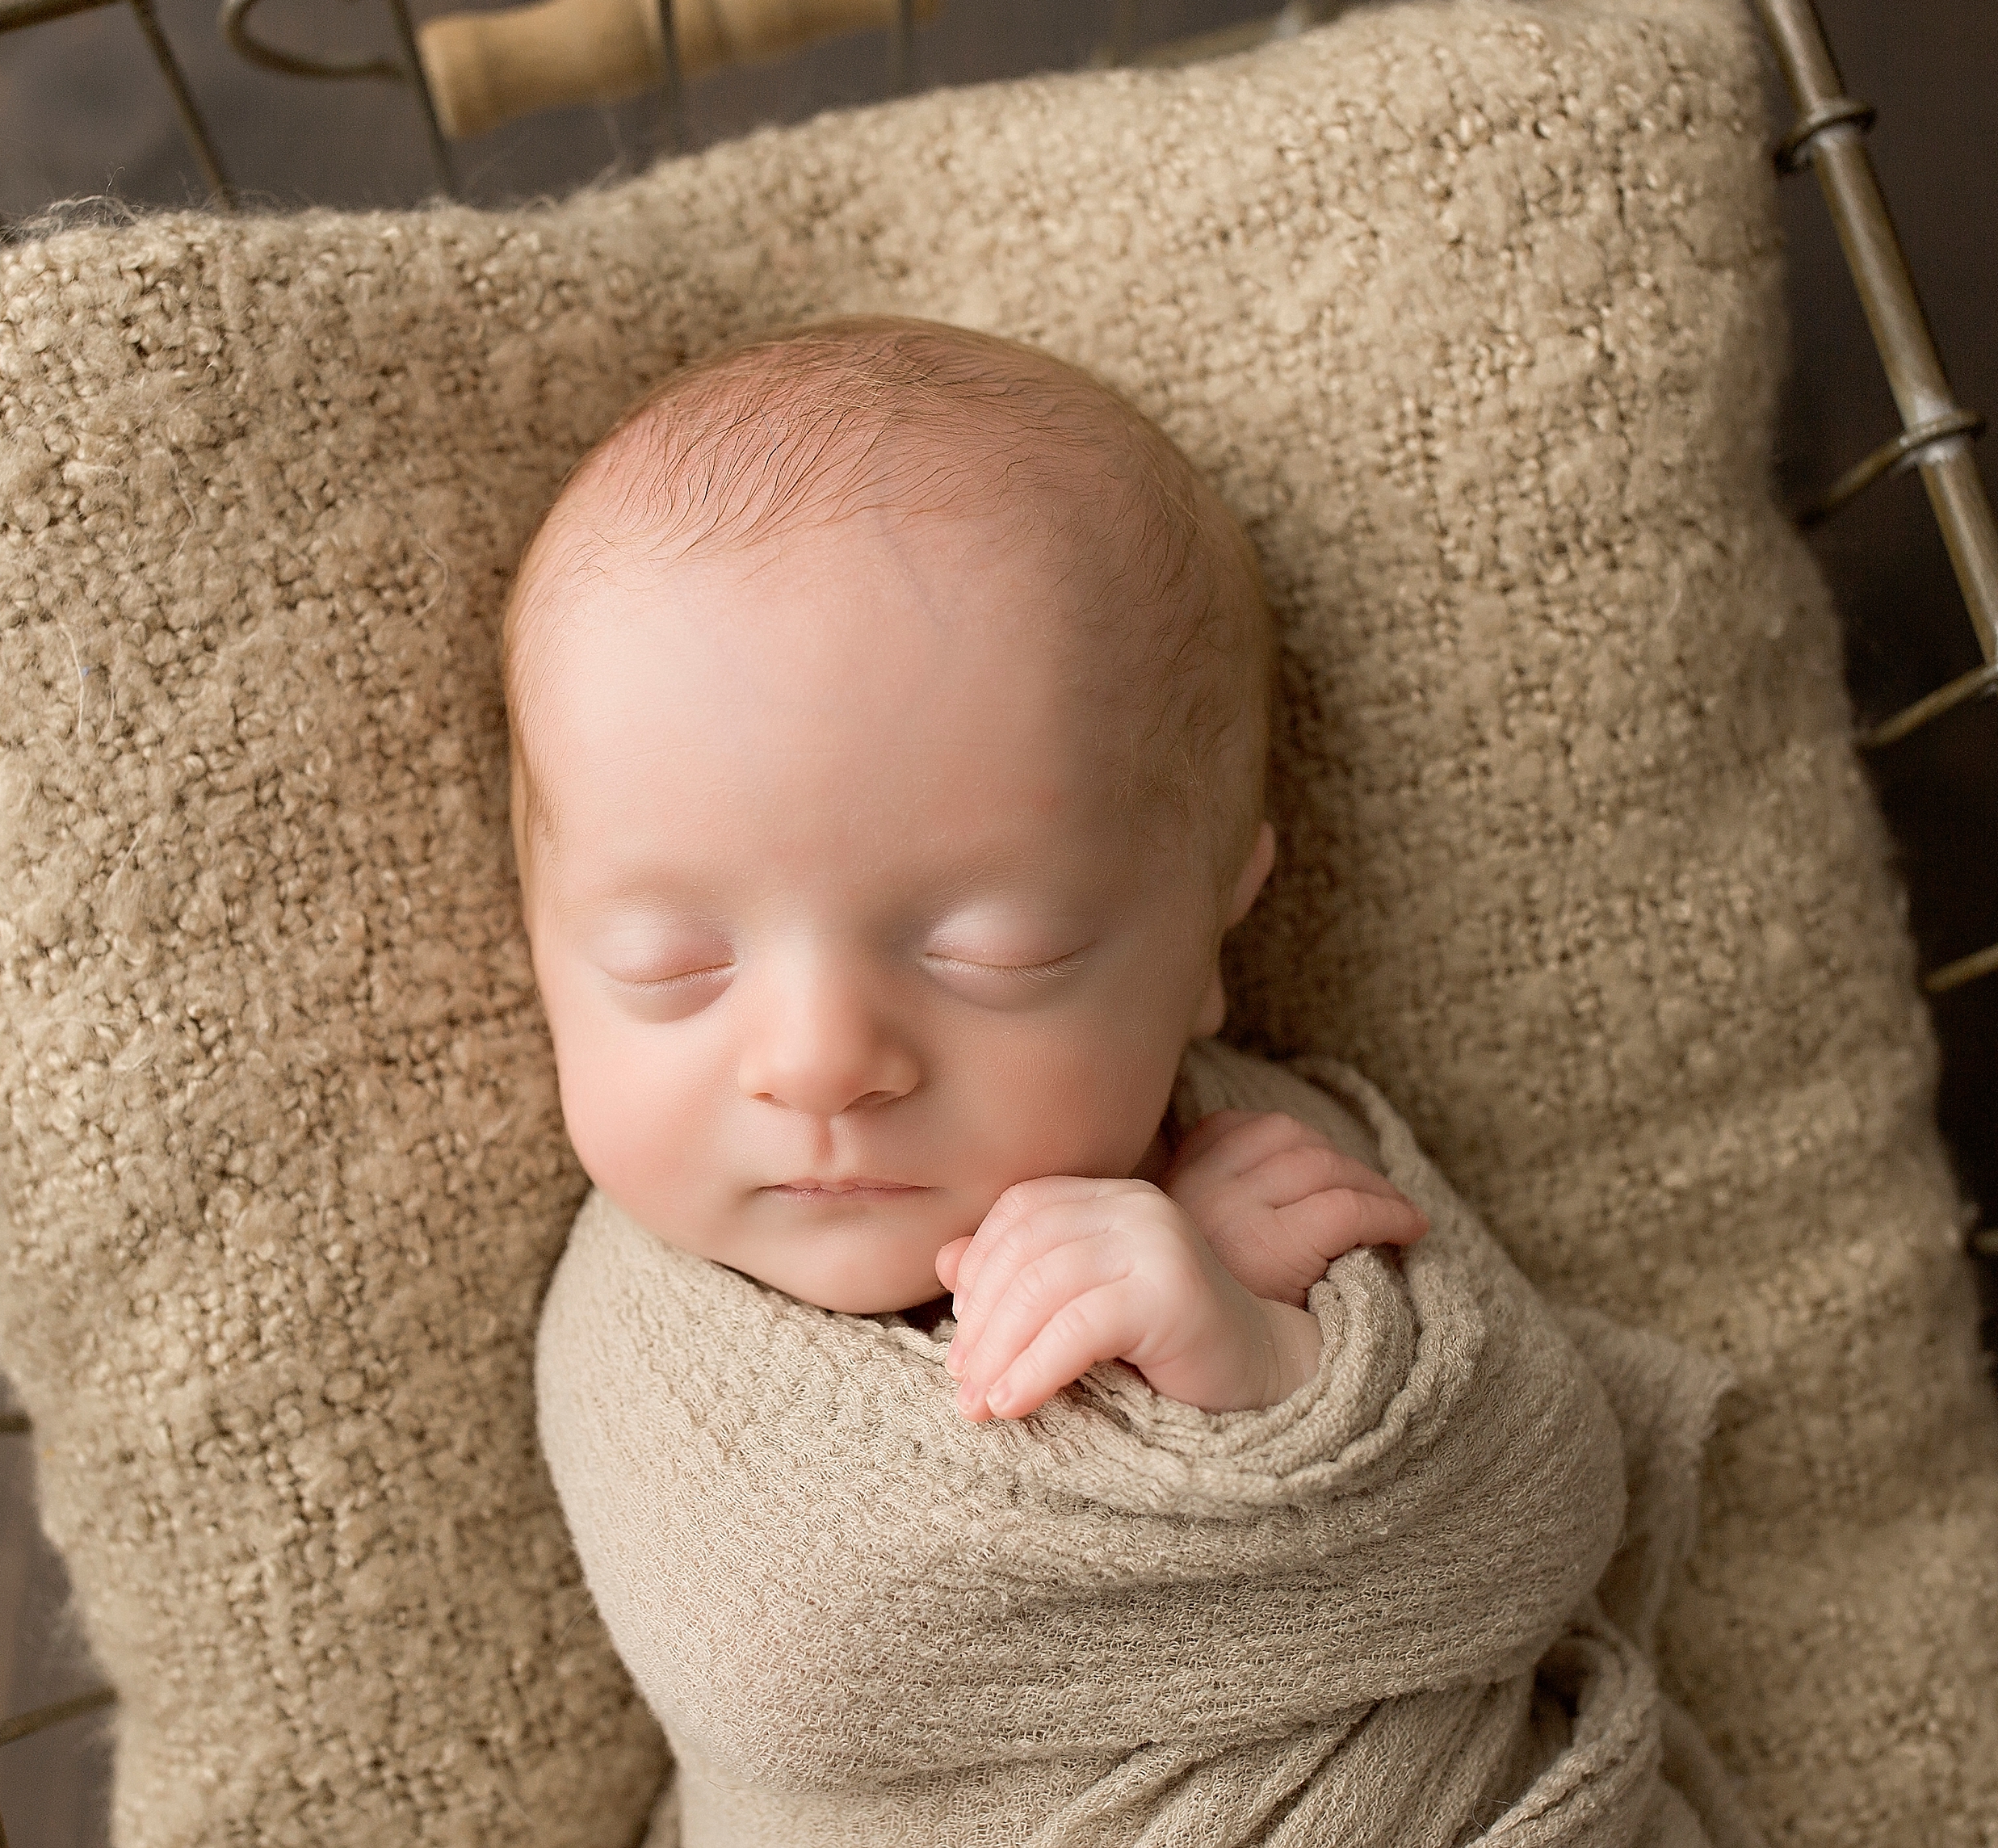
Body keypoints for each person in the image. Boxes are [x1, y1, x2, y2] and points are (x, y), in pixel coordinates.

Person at [499, 313, 1428, 1418]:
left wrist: (1279, 1356)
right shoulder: (639, 1351)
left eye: (996, 953)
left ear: (1211, 936)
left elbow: (1546, 1500)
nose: (821, 1063)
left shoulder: (1274, 1161)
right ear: (545, 948)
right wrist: (1198, 1395)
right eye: (669, 964)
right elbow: (819, 1593)